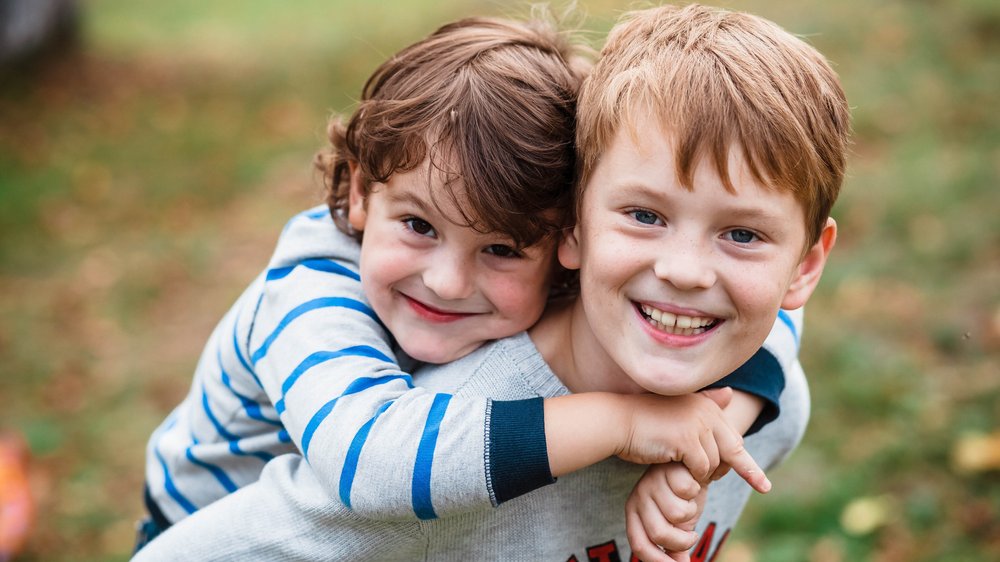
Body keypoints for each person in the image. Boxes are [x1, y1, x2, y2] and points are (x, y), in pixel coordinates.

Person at [132, 3, 850, 561]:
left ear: (563, 236)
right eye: (417, 225)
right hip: (214, 514)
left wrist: (722, 424)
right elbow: (374, 461)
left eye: (503, 247)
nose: (446, 281)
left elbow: (768, 315)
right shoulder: (313, 294)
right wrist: (632, 424)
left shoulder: (616, 288)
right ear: (357, 195)